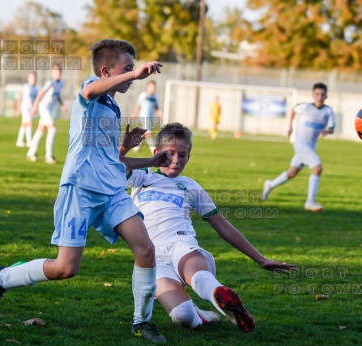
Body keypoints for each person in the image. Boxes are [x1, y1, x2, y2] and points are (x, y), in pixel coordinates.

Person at [0, 39, 171, 343]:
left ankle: (142, 322)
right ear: (107, 71)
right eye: (128, 68)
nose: (134, 73)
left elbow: (113, 159)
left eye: (134, 68)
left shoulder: (111, 106)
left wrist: (147, 157)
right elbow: (88, 90)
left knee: (146, 249)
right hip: (80, 189)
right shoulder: (91, 92)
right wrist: (135, 76)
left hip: (112, 193)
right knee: (65, 268)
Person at [122, 122, 297, 332]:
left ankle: (222, 295)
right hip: (152, 258)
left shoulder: (191, 186)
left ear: (189, 156)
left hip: (183, 245)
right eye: (170, 154)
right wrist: (124, 148)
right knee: (183, 316)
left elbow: (222, 225)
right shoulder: (142, 176)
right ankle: (204, 315)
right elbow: (107, 165)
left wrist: (261, 259)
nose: (176, 161)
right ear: (157, 152)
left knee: (199, 277)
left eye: (183, 155)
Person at [261, 82, 335, 211]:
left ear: (326, 96)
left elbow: (332, 128)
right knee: (317, 169)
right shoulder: (306, 107)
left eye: (322, 94)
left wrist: (326, 132)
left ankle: (270, 185)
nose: (319, 97)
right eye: (317, 94)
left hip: (311, 146)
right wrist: (290, 126)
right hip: (300, 144)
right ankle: (310, 202)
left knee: (292, 173)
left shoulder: (328, 111)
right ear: (313, 95)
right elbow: (292, 109)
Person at [26, 65, 67, 164]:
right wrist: (34, 107)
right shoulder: (50, 83)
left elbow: (57, 95)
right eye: (56, 71)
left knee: (41, 130)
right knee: (53, 129)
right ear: (52, 73)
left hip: (49, 109)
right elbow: (40, 94)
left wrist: (62, 104)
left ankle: (30, 153)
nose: (58, 73)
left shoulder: (61, 83)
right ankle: (49, 156)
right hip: (43, 108)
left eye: (59, 71)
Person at [130, 80, 163, 153]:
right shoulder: (143, 95)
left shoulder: (154, 97)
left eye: (154, 87)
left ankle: (135, 146)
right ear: (148, 87)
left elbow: (156, 106)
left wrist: (160, 112)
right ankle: (154, 150)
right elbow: (138, 105)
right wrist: (134, 113)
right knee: (148, 133)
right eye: (151, 86)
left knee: (144, 133)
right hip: (143, 117)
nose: (153, 88)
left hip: (150, 118)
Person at [15, 71, 38, 147]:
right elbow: (20, 98)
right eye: (31, 77)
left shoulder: (36, 89)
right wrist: (19, 108)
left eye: (34, 77)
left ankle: (19, 141)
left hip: (30, 108)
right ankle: (29, 141)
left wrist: (35, 108)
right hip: (24, 107)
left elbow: (35, 100)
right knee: (30, 122)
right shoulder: (25, 86)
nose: (33, 79)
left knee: (24, 124)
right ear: (28, 78)